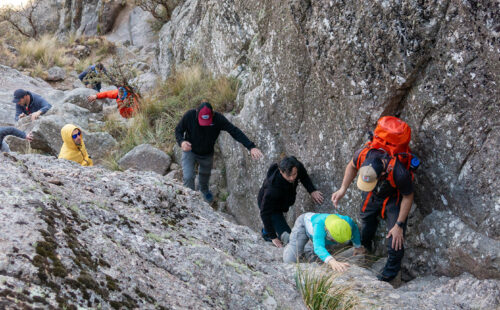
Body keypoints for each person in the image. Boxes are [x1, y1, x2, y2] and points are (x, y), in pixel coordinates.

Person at [331, 116, 415, 282]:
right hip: (373, 194)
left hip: (394, 197)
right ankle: (364, 247)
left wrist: (398, 225)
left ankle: (388, 276)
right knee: (367, 218)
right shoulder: (363, 154)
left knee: (395, 242)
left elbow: (408, 196)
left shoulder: (398, 172)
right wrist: (342, 189)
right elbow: (351, 166)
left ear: (382, 174)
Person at [175, 101, 263, 202]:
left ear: (212, 115)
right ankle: (189, 199)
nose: (204, 125)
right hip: (190, 150)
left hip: (207, 153)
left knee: (204, 176)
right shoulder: (189, 116)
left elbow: (234, 131)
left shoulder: (218, 118)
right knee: (188, 176)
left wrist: (251, 147)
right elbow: (178, 130)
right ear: (197, 113)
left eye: (207, 122)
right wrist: (182, 142)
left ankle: (204, 190)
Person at [258, 156, 324, 248]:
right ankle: (267, 233)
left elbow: (304, 177)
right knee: (291, 240)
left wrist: (312, 191)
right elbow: (264, 212)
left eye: (294, 174)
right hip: (271, 208)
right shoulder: (272, 189)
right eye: (289, 176)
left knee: (285, 233)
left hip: (282, 203)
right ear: (281, 171)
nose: (292, 178)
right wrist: (273, 237)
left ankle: (269, 228)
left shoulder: (296, 167)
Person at [283, 213, 364, 272]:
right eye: (333, 240)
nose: (334, 242)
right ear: (326, 229)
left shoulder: (347, 222)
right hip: (303, 226)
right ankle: (289, 239)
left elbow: (355, 230)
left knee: (318, 261)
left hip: (317, 236)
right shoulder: (320, 225)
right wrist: (332, 261)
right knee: (290, 260)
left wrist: (357, 247)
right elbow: (319, 247)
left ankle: (307, 245)